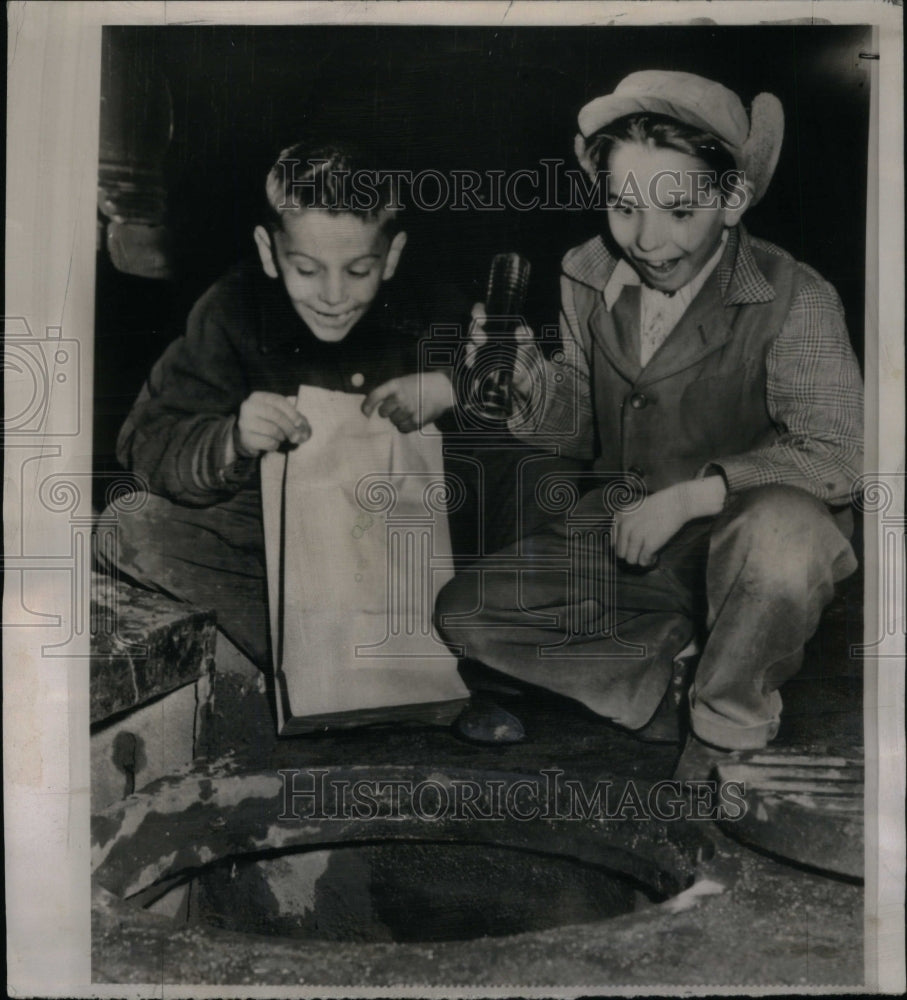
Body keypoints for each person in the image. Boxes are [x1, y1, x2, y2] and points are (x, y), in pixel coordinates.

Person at [435, 71, 863, 776]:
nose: (646, 239)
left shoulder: (796, 295)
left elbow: (840, 456)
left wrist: (696, 495)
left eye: (677, 211)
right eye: (622, 206)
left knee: (783, 530)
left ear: (731, 199)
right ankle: (670, 677)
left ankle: (727, 725)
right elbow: (578, 426)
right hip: (629, 530)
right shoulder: (587, 273)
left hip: (747, 538)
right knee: (465, 614)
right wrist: (526, 386)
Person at [105, 141, 460, 673]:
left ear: (392, 256)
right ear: (270, 252)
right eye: (308, 270)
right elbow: (146, 439)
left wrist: (456, 388)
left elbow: (544, 404)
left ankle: (436, 660)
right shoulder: (233, 308)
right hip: (286, 543)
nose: (334, 295)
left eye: (359, 271)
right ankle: (316, 664)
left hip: (406, 547)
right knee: (127, 524)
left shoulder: (438, 306)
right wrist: (230, 439)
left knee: (516, 514)